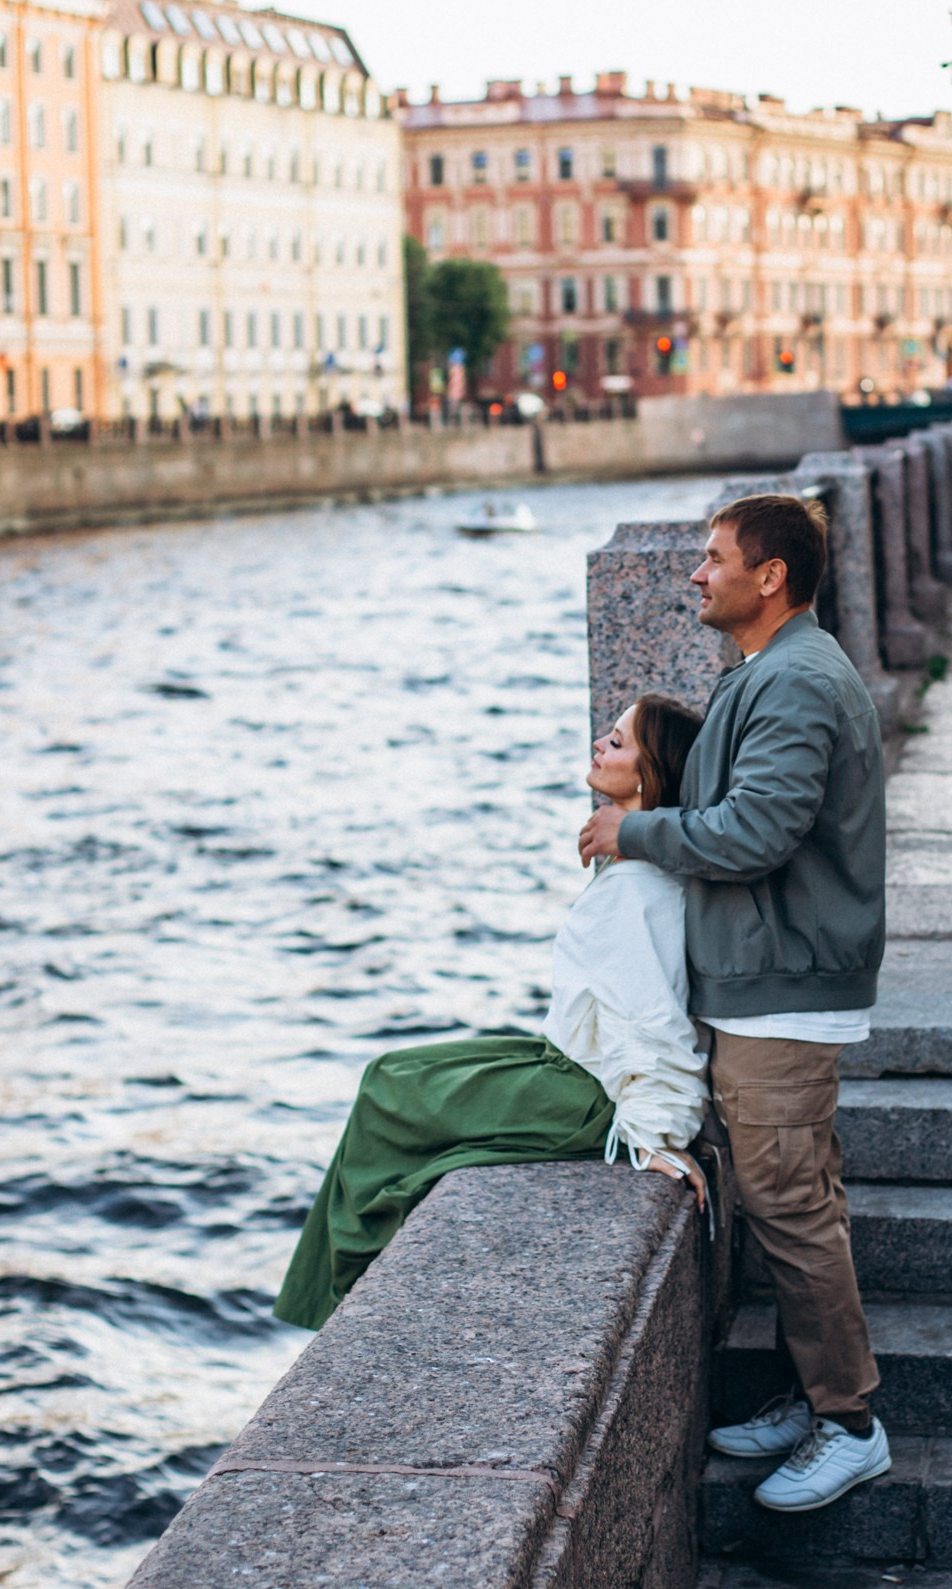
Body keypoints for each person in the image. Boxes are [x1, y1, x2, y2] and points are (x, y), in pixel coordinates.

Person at [577, 493, 889, 1516]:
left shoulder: (796, 681)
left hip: (782, 998)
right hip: (772, 985)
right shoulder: (771, 671)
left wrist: (634, 836)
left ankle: (850, 1424)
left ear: (773, 579)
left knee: (794, 1212)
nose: (696, 575)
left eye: (714, 560)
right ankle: (812, 1397)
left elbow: (754, 833)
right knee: (795, 1200)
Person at [273, 696, 710, 1332]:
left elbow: (656, 1019)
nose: (598, 745)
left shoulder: (640, 892)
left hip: (584, 1094)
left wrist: (656, 1139)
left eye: (616, 743)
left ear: (648, 776)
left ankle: (344, 1307)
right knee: (387, 1076)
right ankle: (336, 1302)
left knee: (391, 1102)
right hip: (561, 1060)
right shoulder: (635, 868)